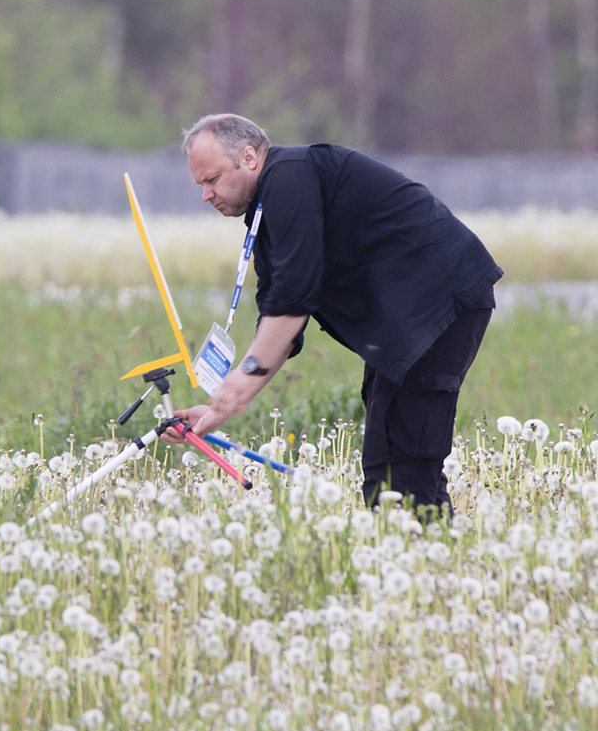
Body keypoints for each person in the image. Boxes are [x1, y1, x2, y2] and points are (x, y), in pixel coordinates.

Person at [167, 113, 502, 515]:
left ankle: (419, 558)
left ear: (250, 157)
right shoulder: (266, 211)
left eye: (212, 179)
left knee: (398, 471)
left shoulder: (289, 177)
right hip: (410, 320)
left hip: (439, 304)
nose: (206, 194)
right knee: (396, 464)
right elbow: (279, 314)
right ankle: (430, 556)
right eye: (200, 184)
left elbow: (295, 299)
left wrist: (240, 383)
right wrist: (222, 406)